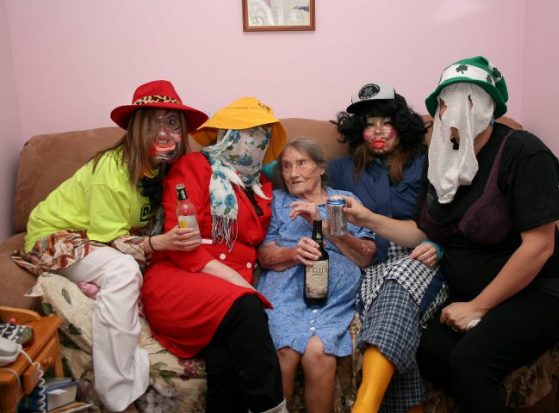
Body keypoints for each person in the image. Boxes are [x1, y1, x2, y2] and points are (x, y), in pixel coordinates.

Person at [346, 57, 559, 413]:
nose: (452, 113)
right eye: (444, 104)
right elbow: (421, 231)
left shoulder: (522, 152)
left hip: (540, 289)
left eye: (466, 102)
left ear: (487, 108)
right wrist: (368, 217)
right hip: (468, 289)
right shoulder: (441, 157)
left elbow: (539, 246)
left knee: (470, 363)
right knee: (424, 349)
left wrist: (478, 306)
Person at [11, 80, 208, 412]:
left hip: (103, 238)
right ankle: (118, 396)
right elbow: (113, 241)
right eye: (154, 122)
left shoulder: (164, 170)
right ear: (137, 128)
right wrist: (156, 242)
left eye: (173, 122)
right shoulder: (112, 169)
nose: (164, 132)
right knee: (123, 271)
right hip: (58, 234)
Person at [141, 97, 289, 413]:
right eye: (247, 130)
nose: (256, 138)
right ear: (226, 134)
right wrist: (239, 285)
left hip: (226, 289)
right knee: (247, 308)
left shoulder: (262, 184)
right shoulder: (194, 166)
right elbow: (184, 245)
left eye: (263, 131)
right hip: (182, 277)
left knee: (226, 363)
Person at [329, 83, 447, 413]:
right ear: (358, 131)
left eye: (385, 121)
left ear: (401, 125)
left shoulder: (427, 163)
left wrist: (438, 244)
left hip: (419, 257)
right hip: (371, 262)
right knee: (393, 314)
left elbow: (452, 216)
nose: (378, 131)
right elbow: (290, 168)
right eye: (369, 124)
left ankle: (364, 407)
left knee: (397, 286)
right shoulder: (341, 169)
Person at [256, 139, 376, 412]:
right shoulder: (277, 201)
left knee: (319, 353)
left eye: (301, 163)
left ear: (321, 168)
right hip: (286, 292)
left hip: (333, 300)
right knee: (284, 351)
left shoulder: (343, 201)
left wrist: (320, 222)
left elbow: (365, 256)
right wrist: (292, 254)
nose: (292, 173)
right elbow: (264, 256)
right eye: (286, 166)